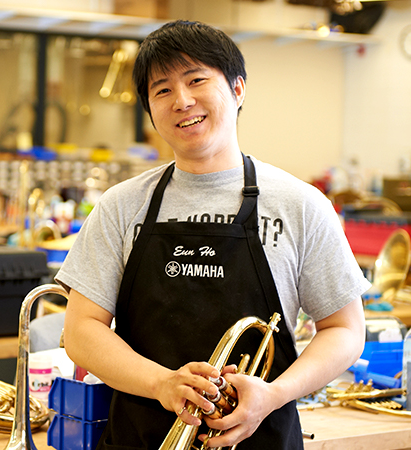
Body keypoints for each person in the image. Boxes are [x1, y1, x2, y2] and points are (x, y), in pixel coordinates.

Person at [55, 20, 368, 449]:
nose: (182, 100)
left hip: (263, 436)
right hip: (140, 437)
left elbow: (345, 330)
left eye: (196, 80)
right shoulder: (122, 206)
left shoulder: (301, 205)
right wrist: (162, 383)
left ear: (238, 89)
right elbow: (81, 331)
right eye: (162, 90)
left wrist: (274, 394)